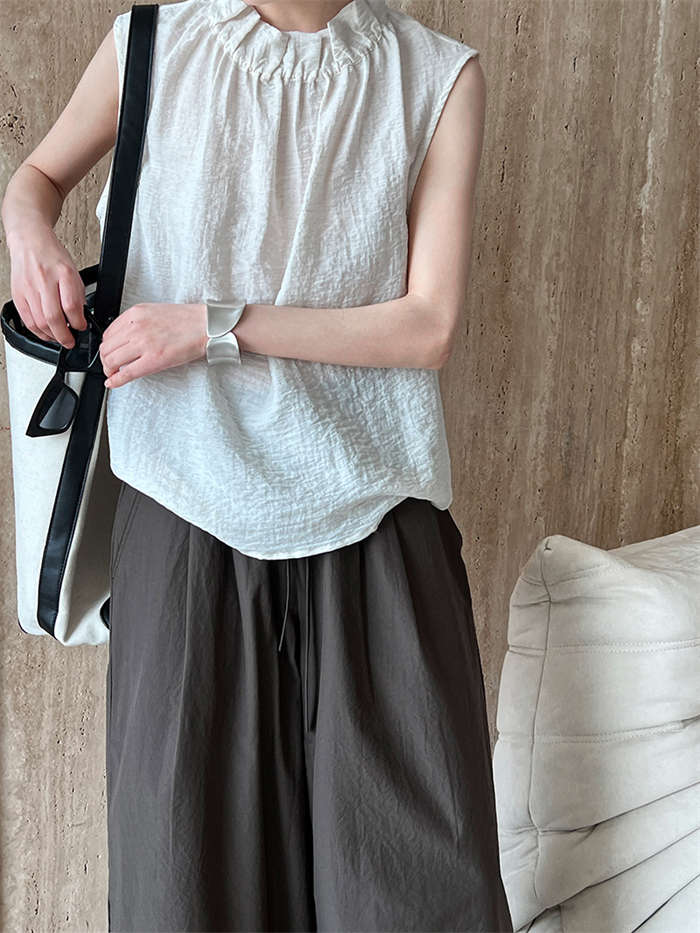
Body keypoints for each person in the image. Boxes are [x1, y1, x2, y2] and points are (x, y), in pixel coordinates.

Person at [1, 0, 513, 930]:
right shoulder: (152, 40)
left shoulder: (437, 76)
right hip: (185, 510)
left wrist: (215, 326)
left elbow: (427, 325)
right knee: (185, 888)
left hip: (376, 518)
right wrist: (27, 231)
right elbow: (36, 178)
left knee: (414, 891)